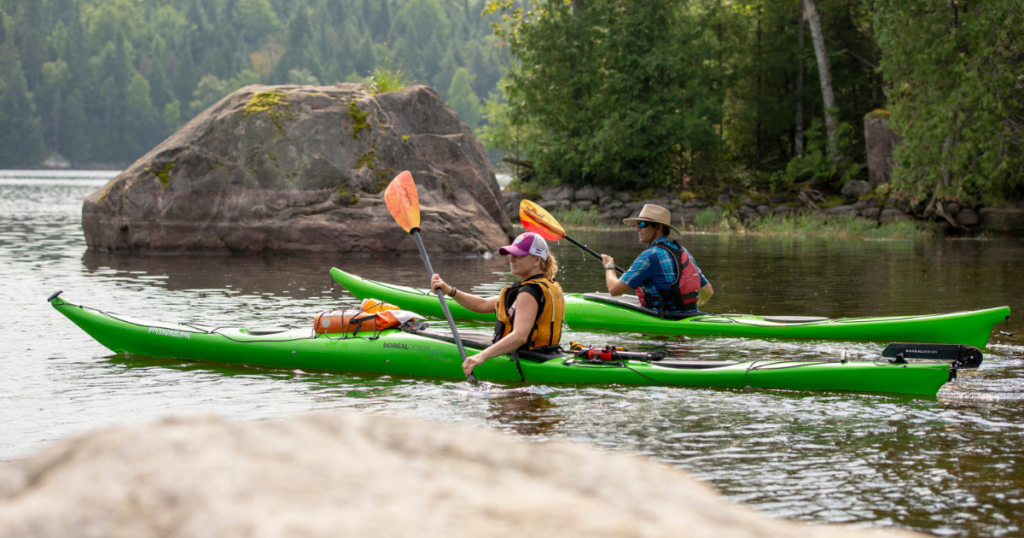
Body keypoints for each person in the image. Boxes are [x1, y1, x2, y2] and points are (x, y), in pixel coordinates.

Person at [431, 232, 564, 377]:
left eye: (518, 255)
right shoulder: (548, 285)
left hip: (527, 357)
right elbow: (483, 304)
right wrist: (450, 291)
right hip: (547, 352)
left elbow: (520, 337)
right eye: (511, 255)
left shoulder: (529, 292)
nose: (512, 259)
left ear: (536, 260)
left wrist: (481, 356)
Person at [601, 204, 713, 316]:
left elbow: (614, 290)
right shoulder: (683, 252)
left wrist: (609, 266)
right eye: (637, 224)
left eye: (642, 224)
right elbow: (708, 291)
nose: (638, 228)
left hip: (665, 319)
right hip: (691, 315)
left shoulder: (649, 256)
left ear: (658, 228)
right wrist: (687, 310)